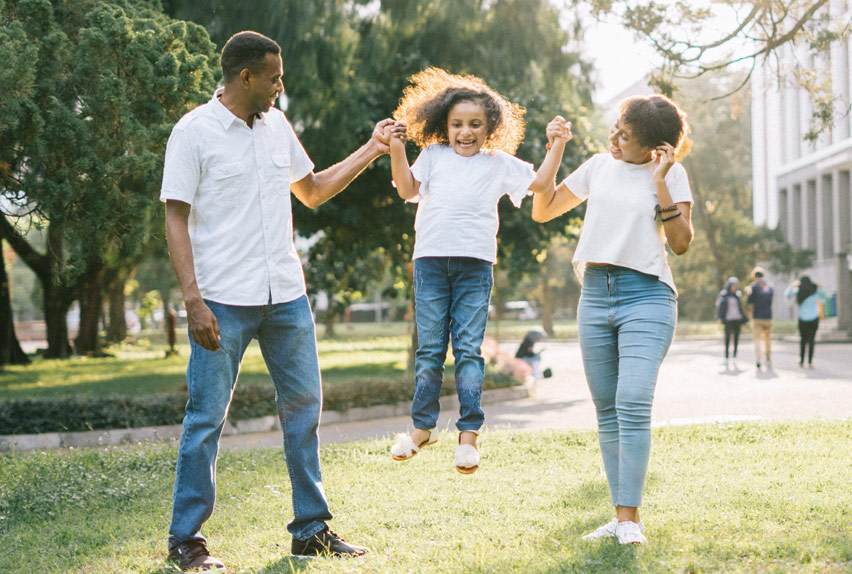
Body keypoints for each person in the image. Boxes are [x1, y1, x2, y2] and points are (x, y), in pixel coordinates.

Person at [160, 31, 405, 571]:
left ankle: (311, 529)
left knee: (304, 410)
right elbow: (175, 217)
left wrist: (372, 148)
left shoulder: (276, 126)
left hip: (286, 295)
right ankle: (187, 541)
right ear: (244, 76)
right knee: (206, 416)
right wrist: (192, 300)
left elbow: (312, 189)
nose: (280, 85)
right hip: (221, 299)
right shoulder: (194, 132)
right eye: (273, 76)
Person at [384, 67, 569, 474]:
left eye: (474, 125)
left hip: (474, 267)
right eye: (456, 125)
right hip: (431, 263)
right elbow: (406, 190)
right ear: (443, 126)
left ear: (490, 127)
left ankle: (469, 437)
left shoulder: (498, 163)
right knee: (430, 351)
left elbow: (540, 184)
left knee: (468, 350)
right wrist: (397, 149)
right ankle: (421, 429)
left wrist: (555, 145)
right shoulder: (433, 156)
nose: (465, 132)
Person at [532, 94, 694, 545]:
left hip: (648, 296)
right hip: (595, 295)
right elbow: (542, 210)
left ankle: (630, 521)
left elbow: (680, 242)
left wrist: (660, 181)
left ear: (656, 148)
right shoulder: (599, 166)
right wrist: (557, 148)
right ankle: (622, 518)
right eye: (617, 129)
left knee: (633, 401)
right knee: (607, 412)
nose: (615, 139)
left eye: (627, 136)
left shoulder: (672, 173)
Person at [784, 275, 827, 368]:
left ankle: (802, 360)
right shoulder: (815, 289)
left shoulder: (798, 290)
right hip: (814, 318)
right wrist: (818, 285)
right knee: (811, 340)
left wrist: (792, 286)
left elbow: (787, 295)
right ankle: (810, 361)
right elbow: (824, 295)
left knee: (803, 340)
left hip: (802, 318)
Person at [746, 266, 774, 370]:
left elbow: (749, 301)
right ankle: (768, 358)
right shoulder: (770, 287)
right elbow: (770, 301)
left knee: (757, 339)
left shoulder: (753, 287)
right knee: (767, 339)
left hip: (757, 317)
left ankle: (758, 358)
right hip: (768, 316)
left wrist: (748, 291)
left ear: (754, 277)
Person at [716, 277, 748, 369]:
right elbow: (719, 307)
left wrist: (744, 319)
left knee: (736, 339)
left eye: (735, 286)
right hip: (728, 320)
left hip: (737, 319)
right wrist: (720, 317)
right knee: (727, 339)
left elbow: (741, 308)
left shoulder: (738, 295)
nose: (734, 287)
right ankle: (726, 358)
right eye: (732, 286)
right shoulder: (724, 295)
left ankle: (734, 358)